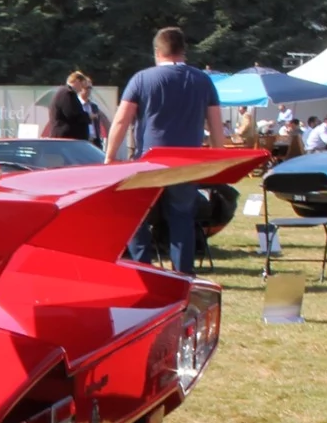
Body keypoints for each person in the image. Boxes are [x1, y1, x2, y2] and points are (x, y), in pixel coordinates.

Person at [105, 26, 224, 275]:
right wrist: (218, 159)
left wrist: (110, 157)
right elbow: (215, 124)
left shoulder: (141, 79)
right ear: (184, 51)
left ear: (157, 52)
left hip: (149, 161)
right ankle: (183, 274)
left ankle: (141, 268)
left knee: (135, 216)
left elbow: (121, 120)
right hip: (187, 162)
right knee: (182, 218)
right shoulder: (203, 81)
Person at [50, 72, 93, 140]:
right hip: (66, 138)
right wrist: (88, 116)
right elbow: (72, 114)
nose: (81, 89)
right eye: (82, 85)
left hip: (66, 138)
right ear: (77, 81)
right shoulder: (68, 93)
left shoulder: (64, 92)